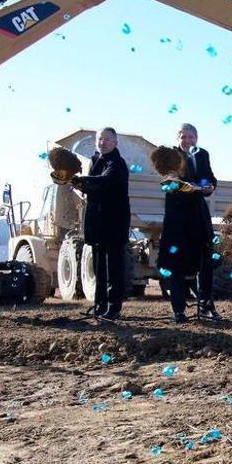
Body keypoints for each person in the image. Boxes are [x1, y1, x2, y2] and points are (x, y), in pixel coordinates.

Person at [158, 124, 221, 322]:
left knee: (205, 262)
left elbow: (209, 177)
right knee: (176, 264)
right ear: (177, 138)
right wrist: (188, 187)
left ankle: (207, 306)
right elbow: (168, 181)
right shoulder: (170, 155)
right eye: (183, 136)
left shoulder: (202, 155)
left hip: (198, 217)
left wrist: (210, 186)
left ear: (197, 138)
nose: (187, 140)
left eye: (191, 137)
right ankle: (179, 309)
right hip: (177, 219)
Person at [73, 127, 130, 320]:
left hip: (114, 223)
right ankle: (99, 306)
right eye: (100, 139)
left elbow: (106, 181)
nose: (102, 142)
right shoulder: (94, 161)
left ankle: (114, 308)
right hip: (97, 223)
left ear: (115, 142)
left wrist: (83, 180)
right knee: (99, 268)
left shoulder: (118, 163)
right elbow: (91, 189)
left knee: (114, 267)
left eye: (107, 139)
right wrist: (78, 183)